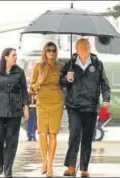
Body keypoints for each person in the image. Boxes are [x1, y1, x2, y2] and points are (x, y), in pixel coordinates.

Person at [60, 38, 111, 177]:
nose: (84, 48)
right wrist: (68, 79)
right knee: (74, 134)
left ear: (90, 48)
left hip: (91, 106)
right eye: (81, 46)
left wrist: (106, 99)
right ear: (76, 49)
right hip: (74, 106)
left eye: (87, 46)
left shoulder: (97, 64)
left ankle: (84, 168)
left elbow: (104, 83)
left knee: (88, 137)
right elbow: (61, 82)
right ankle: (70, 166)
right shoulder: (70, 64)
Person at [0, 47, 29, 178]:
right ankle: (0, 162)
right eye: (13, 55)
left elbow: (24, 91)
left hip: (15, 110)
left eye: (16, 55)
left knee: (12, 140)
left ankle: (8, 171)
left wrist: (25, 107)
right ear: (6, 56)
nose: (16, 57)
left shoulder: (19, 72)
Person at [30, 41, 64, 177]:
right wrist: (39, 80)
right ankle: (44, 160)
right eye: (49, 50)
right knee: (42, 133)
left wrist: (69, 78)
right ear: (44, 51)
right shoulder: (38, 67)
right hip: (42, 101)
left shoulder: (59, 67)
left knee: (53, 134)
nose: (51, 53)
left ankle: (50, 164)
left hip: (56, 101)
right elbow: (32, 88)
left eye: (53, 50)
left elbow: (65, 84)